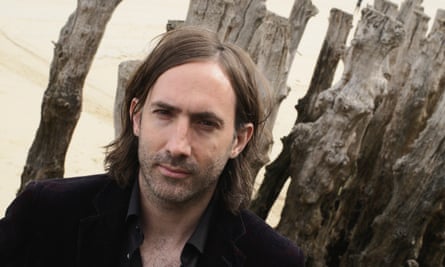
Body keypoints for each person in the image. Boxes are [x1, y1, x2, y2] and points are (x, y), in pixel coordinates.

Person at [0, 26, 304, 267]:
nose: (178, 145)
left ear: (239, 140)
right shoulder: (45, 216)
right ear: (137, 117)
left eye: (205, 123)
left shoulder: (273, 260)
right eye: (164, 113)